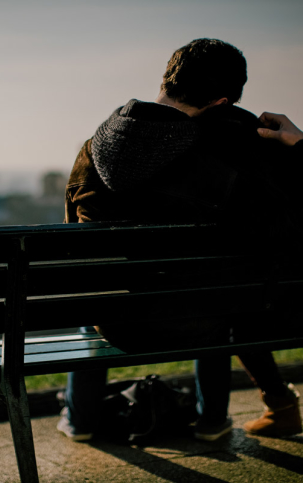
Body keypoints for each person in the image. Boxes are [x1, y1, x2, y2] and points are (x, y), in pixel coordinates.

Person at [57, 38, 303, 443]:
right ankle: (213, 420)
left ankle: (80, 421)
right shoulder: (232, 151)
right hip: (209, 319)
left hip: (117, 324)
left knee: (98, 295)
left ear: (166, 80)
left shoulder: (92, 150)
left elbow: (73, 245)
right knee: (221, 293)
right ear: (221, 101)